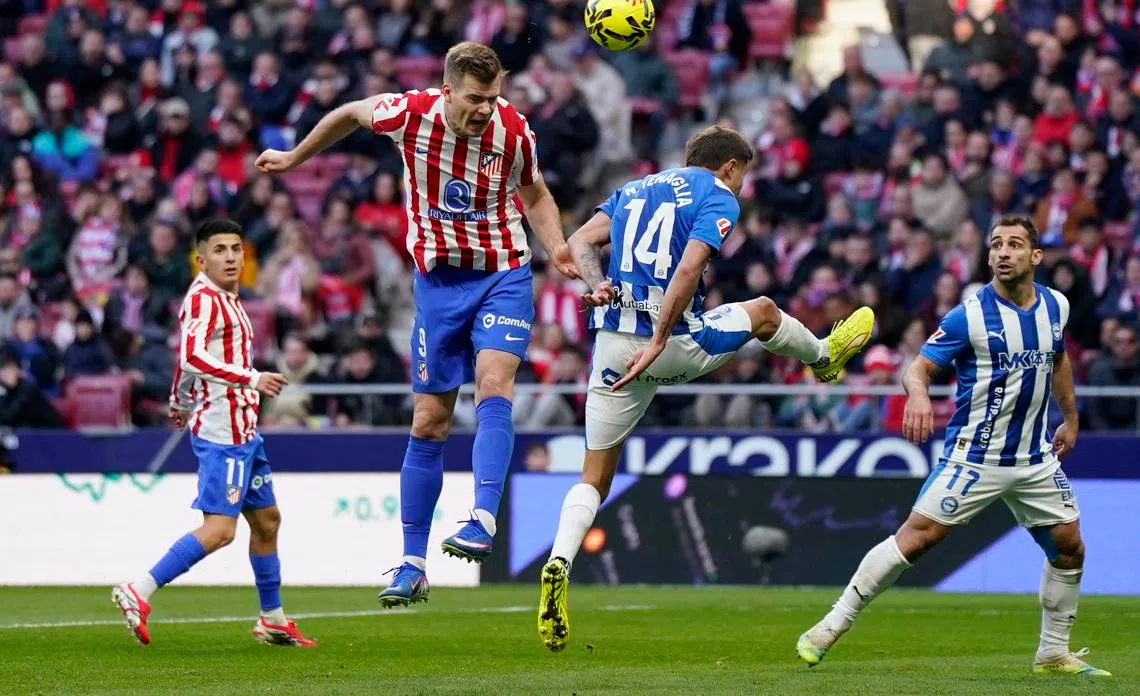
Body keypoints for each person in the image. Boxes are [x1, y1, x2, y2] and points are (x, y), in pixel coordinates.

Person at [254, 42, 576, 606]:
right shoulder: (409, 114)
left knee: (494, 382)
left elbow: (537, 194)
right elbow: (350, 112)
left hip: (502, 271)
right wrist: (295, 157)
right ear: (448, 90)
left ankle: (481, 516)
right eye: (476, 99)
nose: (485, 109)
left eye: (493, 97)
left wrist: (558, 249)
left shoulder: (512, 130)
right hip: (437, 286)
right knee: (429, 421)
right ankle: (412, 564)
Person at [535, 126, 876, 653]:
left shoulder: (635, 188)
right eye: (745, 174)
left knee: (594, 474)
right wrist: (660, 338)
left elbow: (576, 244)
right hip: (667, 340)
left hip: (610, 349)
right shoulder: (717, 194)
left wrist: (593, 282)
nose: (742, 185)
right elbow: (690, 267)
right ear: (730, 167)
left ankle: (559, 560)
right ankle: (825, 358)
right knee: (764, 311)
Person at [795, 215, 1110, 678]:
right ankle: (828, 627)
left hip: (1034, 457)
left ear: (1035, 256)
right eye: (996, 245)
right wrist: (919, 396)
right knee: (917, 540)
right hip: (974, 456)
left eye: (1015, 245)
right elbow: (917, 368)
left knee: (1069, 548)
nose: (1003, 252)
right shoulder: (971, 315)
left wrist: (1071, 416)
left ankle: (1052, 653)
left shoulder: (1055, 306)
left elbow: (1058, 358)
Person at [111, 220, 313, 648]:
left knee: (267, 521)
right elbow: (192, 355)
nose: (230, 257)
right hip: (224, 434)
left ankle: (272, 619)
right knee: (221, 530)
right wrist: (251, 377)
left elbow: (188, 366)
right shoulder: (204, 298)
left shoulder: (229, 299)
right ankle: (139, 590)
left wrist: (179, 402)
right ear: (201, 260)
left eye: (236, 249)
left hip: (245, 430)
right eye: (219, 250)